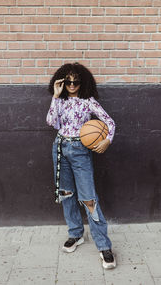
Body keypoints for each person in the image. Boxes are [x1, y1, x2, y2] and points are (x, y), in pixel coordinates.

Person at [46, 62, 116, 269]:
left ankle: (104, 246)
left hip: (80, 151)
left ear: (82, 82)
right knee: (66, 193)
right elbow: (52, 122)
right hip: (59, 148)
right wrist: (56, 96)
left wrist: (107, 140)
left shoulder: (88, 102)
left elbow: (109, 122)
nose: (72, 84)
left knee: (88, 198)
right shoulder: (60, 100)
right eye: (68, 81)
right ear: (62, 81)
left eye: (76, 81)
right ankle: (76, 234)